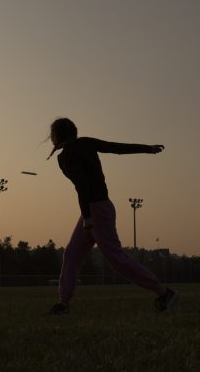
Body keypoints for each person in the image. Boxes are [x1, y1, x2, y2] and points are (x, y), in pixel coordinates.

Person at [46, 117, 178, 314]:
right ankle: (63, 303)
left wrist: (88, 217)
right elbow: (116, 147)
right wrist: (146, 148)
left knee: (117, 259)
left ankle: (163, 292)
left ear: (56, 135)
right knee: (72, 254)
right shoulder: (86, 142)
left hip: (95, 210)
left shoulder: (65, 157)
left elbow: (82, 186)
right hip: (98, 207)